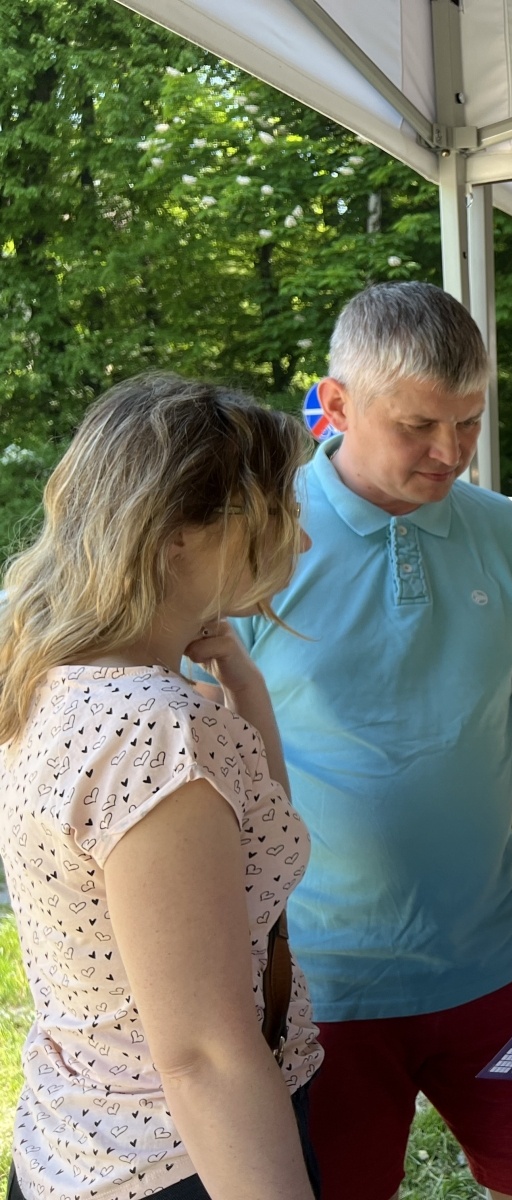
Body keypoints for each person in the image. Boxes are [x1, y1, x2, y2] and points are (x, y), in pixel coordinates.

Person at [207, 282, 512, 1200]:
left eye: (469, 421)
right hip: (319, 983)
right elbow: (210, 769)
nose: (451, 452)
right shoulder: (258, 540)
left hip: (503, 961)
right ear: (335, 406)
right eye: (420, 424)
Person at [0, 375, 321, 1199]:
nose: (303, 540)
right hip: (185, 1160)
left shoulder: (48, 677)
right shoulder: (150, 728)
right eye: (278, 508)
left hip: (81, 1141)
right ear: (178, 532)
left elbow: (256, 842)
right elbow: (204, 1056)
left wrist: (242, 687)